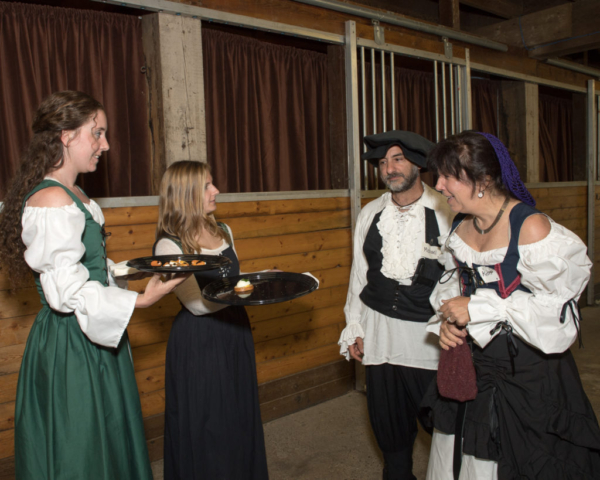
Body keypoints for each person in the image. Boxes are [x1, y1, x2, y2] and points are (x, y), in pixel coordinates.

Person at [0, 91, 188, 479]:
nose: (106, 145)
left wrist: (128, 272)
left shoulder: (78, 196)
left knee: (108, 437)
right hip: (70, 343)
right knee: (82, 445)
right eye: (97, 133)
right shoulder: (52, 200)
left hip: (92, 334)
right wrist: (141, 301)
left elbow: (90, 269)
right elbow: (67, 291)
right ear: (66, 136)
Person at [423, 131, 600, 479]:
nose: (439, 185)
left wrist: (484, 308)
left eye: (449, 176)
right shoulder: (459, 228)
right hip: (473, 368)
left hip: (527, 374)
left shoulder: (531, 228)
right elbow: (451, 292)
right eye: (438, 175)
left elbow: (558, 314)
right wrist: (446, 322)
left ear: (484, 180)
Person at [338, 131, 454, 479]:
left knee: (445, 429)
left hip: (429, 343)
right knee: (389, 431)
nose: (389, 169)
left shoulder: (447, 210)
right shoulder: (370, 213)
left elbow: (459, 279)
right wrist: (354, 326)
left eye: (397, 159)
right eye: (382, 162)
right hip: (381, 339)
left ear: (418, 163)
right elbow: (359, 275)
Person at [154, 161, 269, 480]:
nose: (215, 190)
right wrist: (251, 289)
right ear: (185, 193)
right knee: (209, 425)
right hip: (200, 342)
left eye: (212, 183)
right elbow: (198, 305)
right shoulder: (169, 244)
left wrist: (257, 281)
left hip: (235, 333)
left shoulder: (223, 231)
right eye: (207, 186)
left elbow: (233, 280)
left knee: (238, 416)